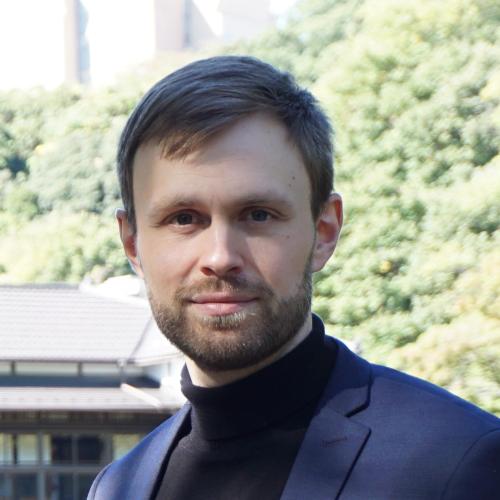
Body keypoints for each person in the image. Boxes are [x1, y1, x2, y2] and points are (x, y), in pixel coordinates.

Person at [88, 56, 500, 500]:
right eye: (184, 218)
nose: (220, 257)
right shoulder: (116, 487)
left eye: (258, 215)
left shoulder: (457, 459)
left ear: (324, 231)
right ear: (132, 243)